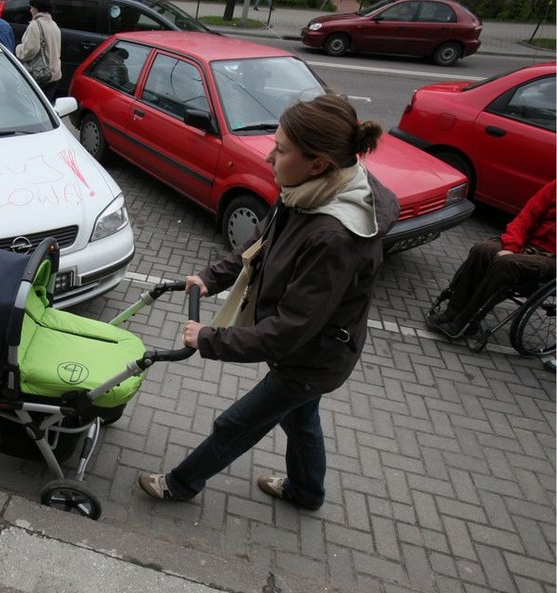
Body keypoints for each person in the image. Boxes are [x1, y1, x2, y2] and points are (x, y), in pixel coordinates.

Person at [136, 93, 399, 510]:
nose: (269, 157)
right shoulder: (309, 191)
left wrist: (208, 338)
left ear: (318, 163)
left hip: (310, 358)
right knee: (302, 420)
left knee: (237, 424)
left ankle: (181, 484)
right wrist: (211, 277)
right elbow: (262, 243)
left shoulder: (334, 236)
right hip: (313, 351)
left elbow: (290, 329)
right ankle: (306, 492)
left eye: (281, 149)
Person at [427, 179, 556, 338]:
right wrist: (512, 246)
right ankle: (452, 311)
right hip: (528, 243)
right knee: (482, 250)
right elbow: (527, 216)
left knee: (506, 264)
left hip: (552, 259)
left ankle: (467, 321)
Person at [16, 0, 61, 103]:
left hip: (40, 75)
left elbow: (29, 50)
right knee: (46, 107)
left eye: (31, 7)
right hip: (55, 75)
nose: (30, 10)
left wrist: (18, 48)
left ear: (37, 8)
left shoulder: (35, 25)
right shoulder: (54, 24)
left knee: (33, 106)